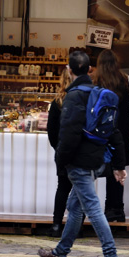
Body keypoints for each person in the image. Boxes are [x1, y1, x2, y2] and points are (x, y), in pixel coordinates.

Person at [37, 49, 126, 257]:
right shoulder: (97, 93)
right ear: (89, 70)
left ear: (69, 70)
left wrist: (61, 160)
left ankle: (110, 255)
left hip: (79, 162)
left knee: (92, 208)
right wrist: (118, 164)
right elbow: (114, 131)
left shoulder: (74, 96)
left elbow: (69, 133)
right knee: (75, 207)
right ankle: (60, 253)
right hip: (96, 158)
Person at [95, 49, 129, 223]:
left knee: (98, 170)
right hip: (121, 131)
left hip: (101, 131)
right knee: (118, 170)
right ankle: (117, 208)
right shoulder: (124, 80)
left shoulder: (96, 81)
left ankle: (105, 209)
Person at [47, 67, 76, 237]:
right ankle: (76, 226)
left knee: (62, 188)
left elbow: (51, 131)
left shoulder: (57, 102)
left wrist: (58, 148)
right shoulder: (82, 99)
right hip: (79, 151)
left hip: (62, 151)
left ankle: (56, 225)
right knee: (80, 190)